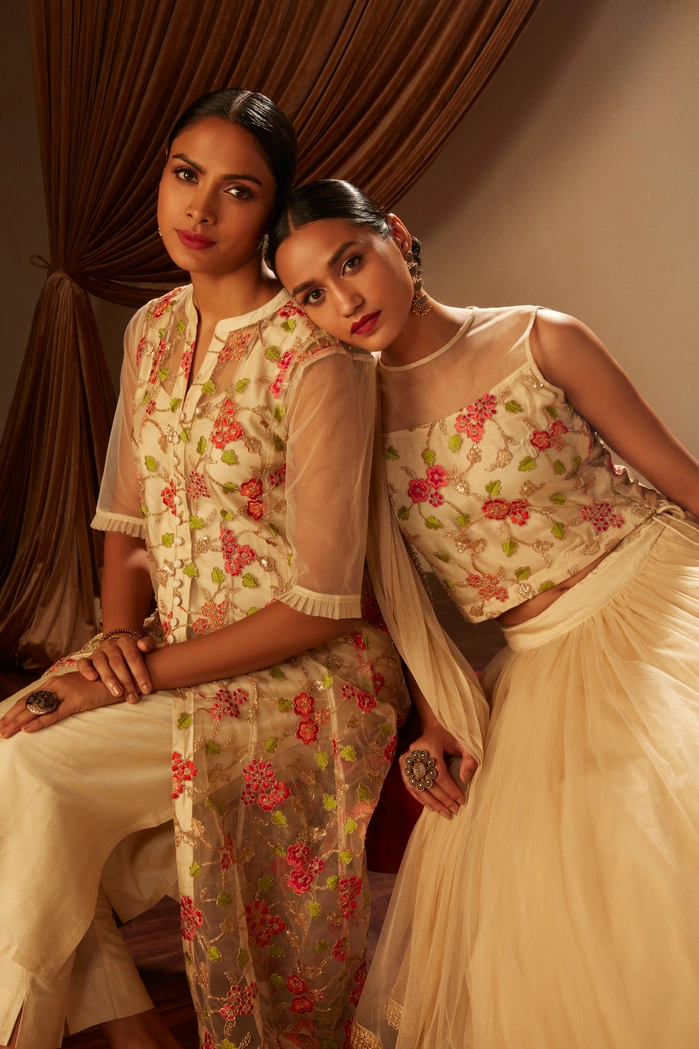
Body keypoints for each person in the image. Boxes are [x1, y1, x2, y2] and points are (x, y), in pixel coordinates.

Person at [0, 101, 410, 1049]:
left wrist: (130, 677)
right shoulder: (150, 326)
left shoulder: (315, 357)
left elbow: (320, 603)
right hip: (166, 651)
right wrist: (109, 643)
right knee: (23, 768)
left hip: (303, 677)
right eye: (185, 174)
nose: (200, 208)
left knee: (27, 767)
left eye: (238, 190)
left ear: (269, 219)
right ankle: (136, 1034)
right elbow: (127, 520)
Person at [268, 179, 699, 1049]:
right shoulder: (345, 427)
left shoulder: (540, 338)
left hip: (655, 598)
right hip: (539, 660)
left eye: (351, 260)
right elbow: (402, 599)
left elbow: (683, 483)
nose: (344, 299)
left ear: (395, 235)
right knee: (550, 892)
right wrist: (436, 720)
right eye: (309, 292)